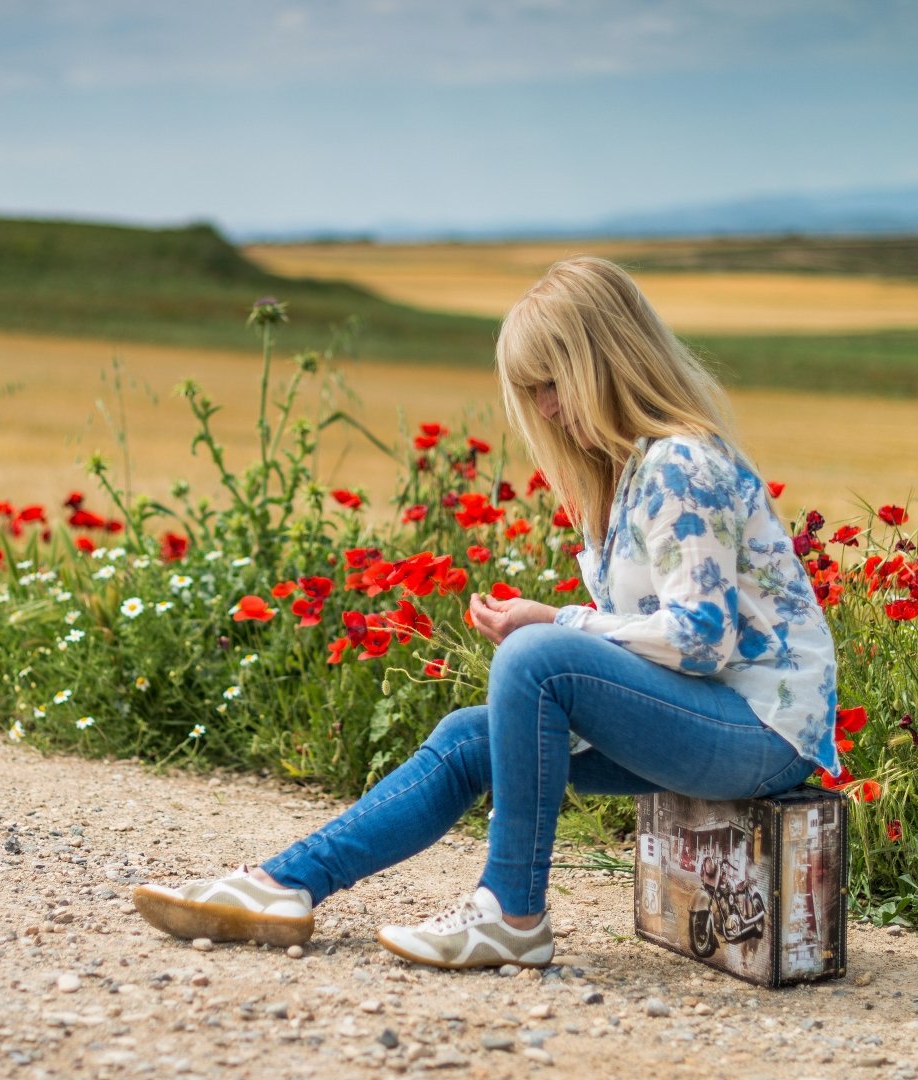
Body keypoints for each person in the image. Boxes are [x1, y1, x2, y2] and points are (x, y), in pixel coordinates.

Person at [133, 255, 840, 970]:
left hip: (760, 733)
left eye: (551, 384)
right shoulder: (630, 478)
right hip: (704, 718)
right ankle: (284, 885)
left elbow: (702, 640)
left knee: (535, 658)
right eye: (532, 391)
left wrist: (556, 624)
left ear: (605, 363)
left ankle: (512, 911)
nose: (546, 410)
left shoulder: (681, 465)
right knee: (473, 736)